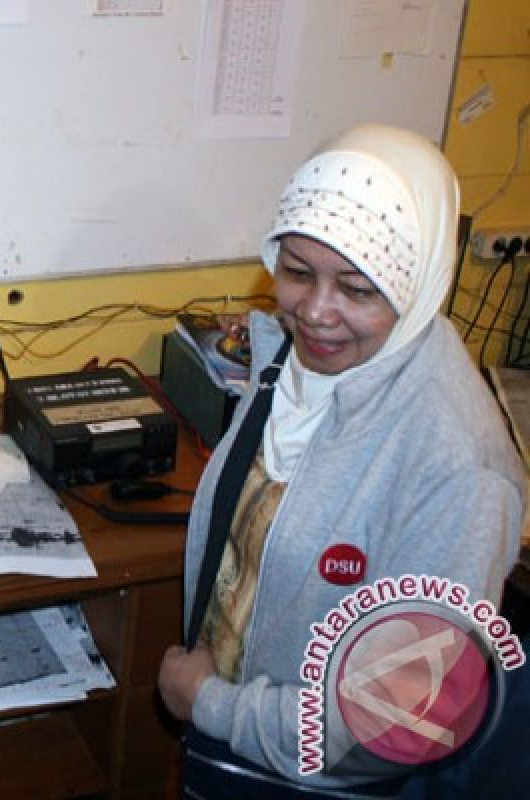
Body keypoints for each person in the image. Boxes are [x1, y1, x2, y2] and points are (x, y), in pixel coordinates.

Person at [156, 123, 526, 797]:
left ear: (420, 284)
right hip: (234, 751)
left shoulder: (459, 470)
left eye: (358, 289)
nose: (316, 313)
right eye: (297, 273)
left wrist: (209, 702)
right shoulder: (293, 361)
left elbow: (394, 724)